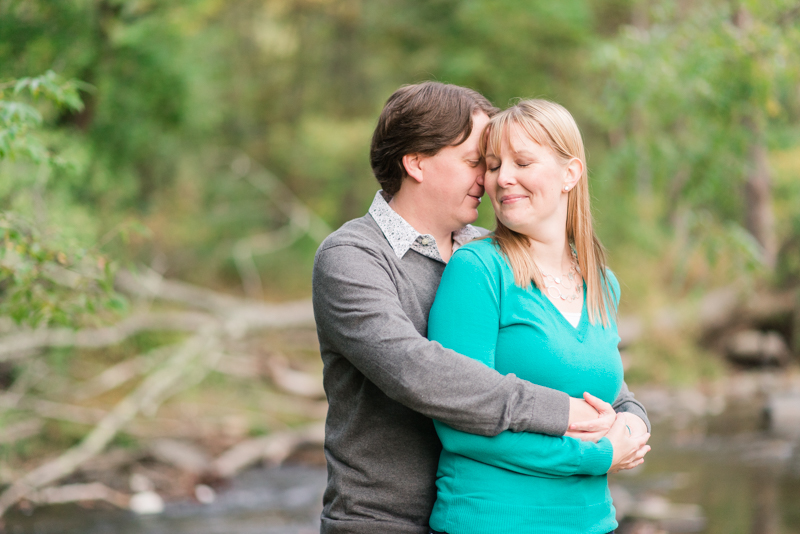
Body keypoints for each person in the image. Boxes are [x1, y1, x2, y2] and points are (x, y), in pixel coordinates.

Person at [311, 82, 650, 534]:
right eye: (479, 162)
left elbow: (596, 378)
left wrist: (630, 422)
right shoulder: (352, 257)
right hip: (386, 519)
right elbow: (419, 372)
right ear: (416, 163)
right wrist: (568, 414)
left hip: (490, 500)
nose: (491, 179)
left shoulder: (497, 255)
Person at [426, 99, 650, 534]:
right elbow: (458, 425)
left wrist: (633, 424)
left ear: (571, 173)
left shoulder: (602, 284)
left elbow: (614, 395)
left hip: (592, 523)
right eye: (493, 165)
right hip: (491, 522)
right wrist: (598, 455)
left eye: (522, 162)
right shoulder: (478, 270)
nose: (502, 178)